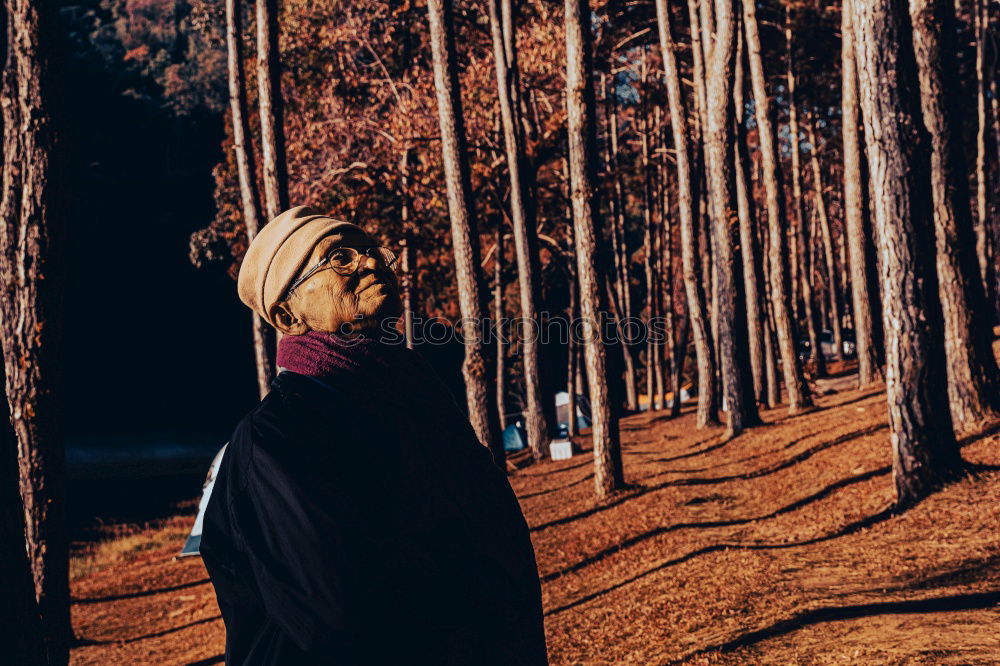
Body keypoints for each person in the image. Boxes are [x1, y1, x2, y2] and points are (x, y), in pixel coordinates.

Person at [200, 206, 547, 665]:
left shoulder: (418, 400)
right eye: (340, 257)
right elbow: (342, 614)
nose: (369, 262)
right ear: (287, 314)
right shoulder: (275, 442)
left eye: (371, 252)